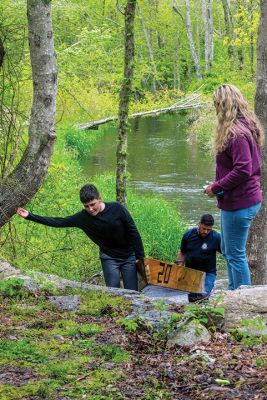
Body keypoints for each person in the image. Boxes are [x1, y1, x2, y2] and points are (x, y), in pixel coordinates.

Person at [17, 184, 145, 291]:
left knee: (132, 292)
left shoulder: (117, 209)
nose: (90, 209)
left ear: (100, 199)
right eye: (86, 206)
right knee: (113, 292)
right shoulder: (82, 218)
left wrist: (141, 258)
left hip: (129, 256)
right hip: (109, 257)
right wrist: (30, 216)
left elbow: (133, 232)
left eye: (93, 204)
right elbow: (59, 222)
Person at [204, 84, 264, 290]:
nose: (215, 109)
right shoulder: (245, 126)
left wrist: (216, 187)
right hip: (240, 199)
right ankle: (232, 292)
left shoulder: (236, 133)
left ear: (224, 105)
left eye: (216, 105)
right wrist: (217, 186)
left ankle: (242, 299)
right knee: (227, 249)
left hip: (241, 202)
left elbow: (243, 170)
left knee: (235, 254)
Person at [176, 214, 221, 302]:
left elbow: (226, 253)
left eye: (208, 229)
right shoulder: (188, 235)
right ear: (199, 224)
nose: (206, 232)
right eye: (203, 228)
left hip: (208, 273)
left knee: (204, 295)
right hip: (191, 272)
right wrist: (179, 267)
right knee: (193, 299)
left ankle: (206, 313)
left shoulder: (216, 237)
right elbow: (182, 252)